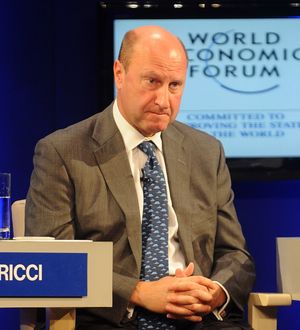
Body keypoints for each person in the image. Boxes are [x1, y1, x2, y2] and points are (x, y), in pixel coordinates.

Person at [25, 25, 255, 329]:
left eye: (175, 85)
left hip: (197, 318)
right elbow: (52, 265)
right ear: (120, 73)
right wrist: (140, 292)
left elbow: (235, 254)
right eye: (152, 81)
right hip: (111, 318)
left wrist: (214, 291)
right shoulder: (62, 152)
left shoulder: (206, 151)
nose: (163, 100)